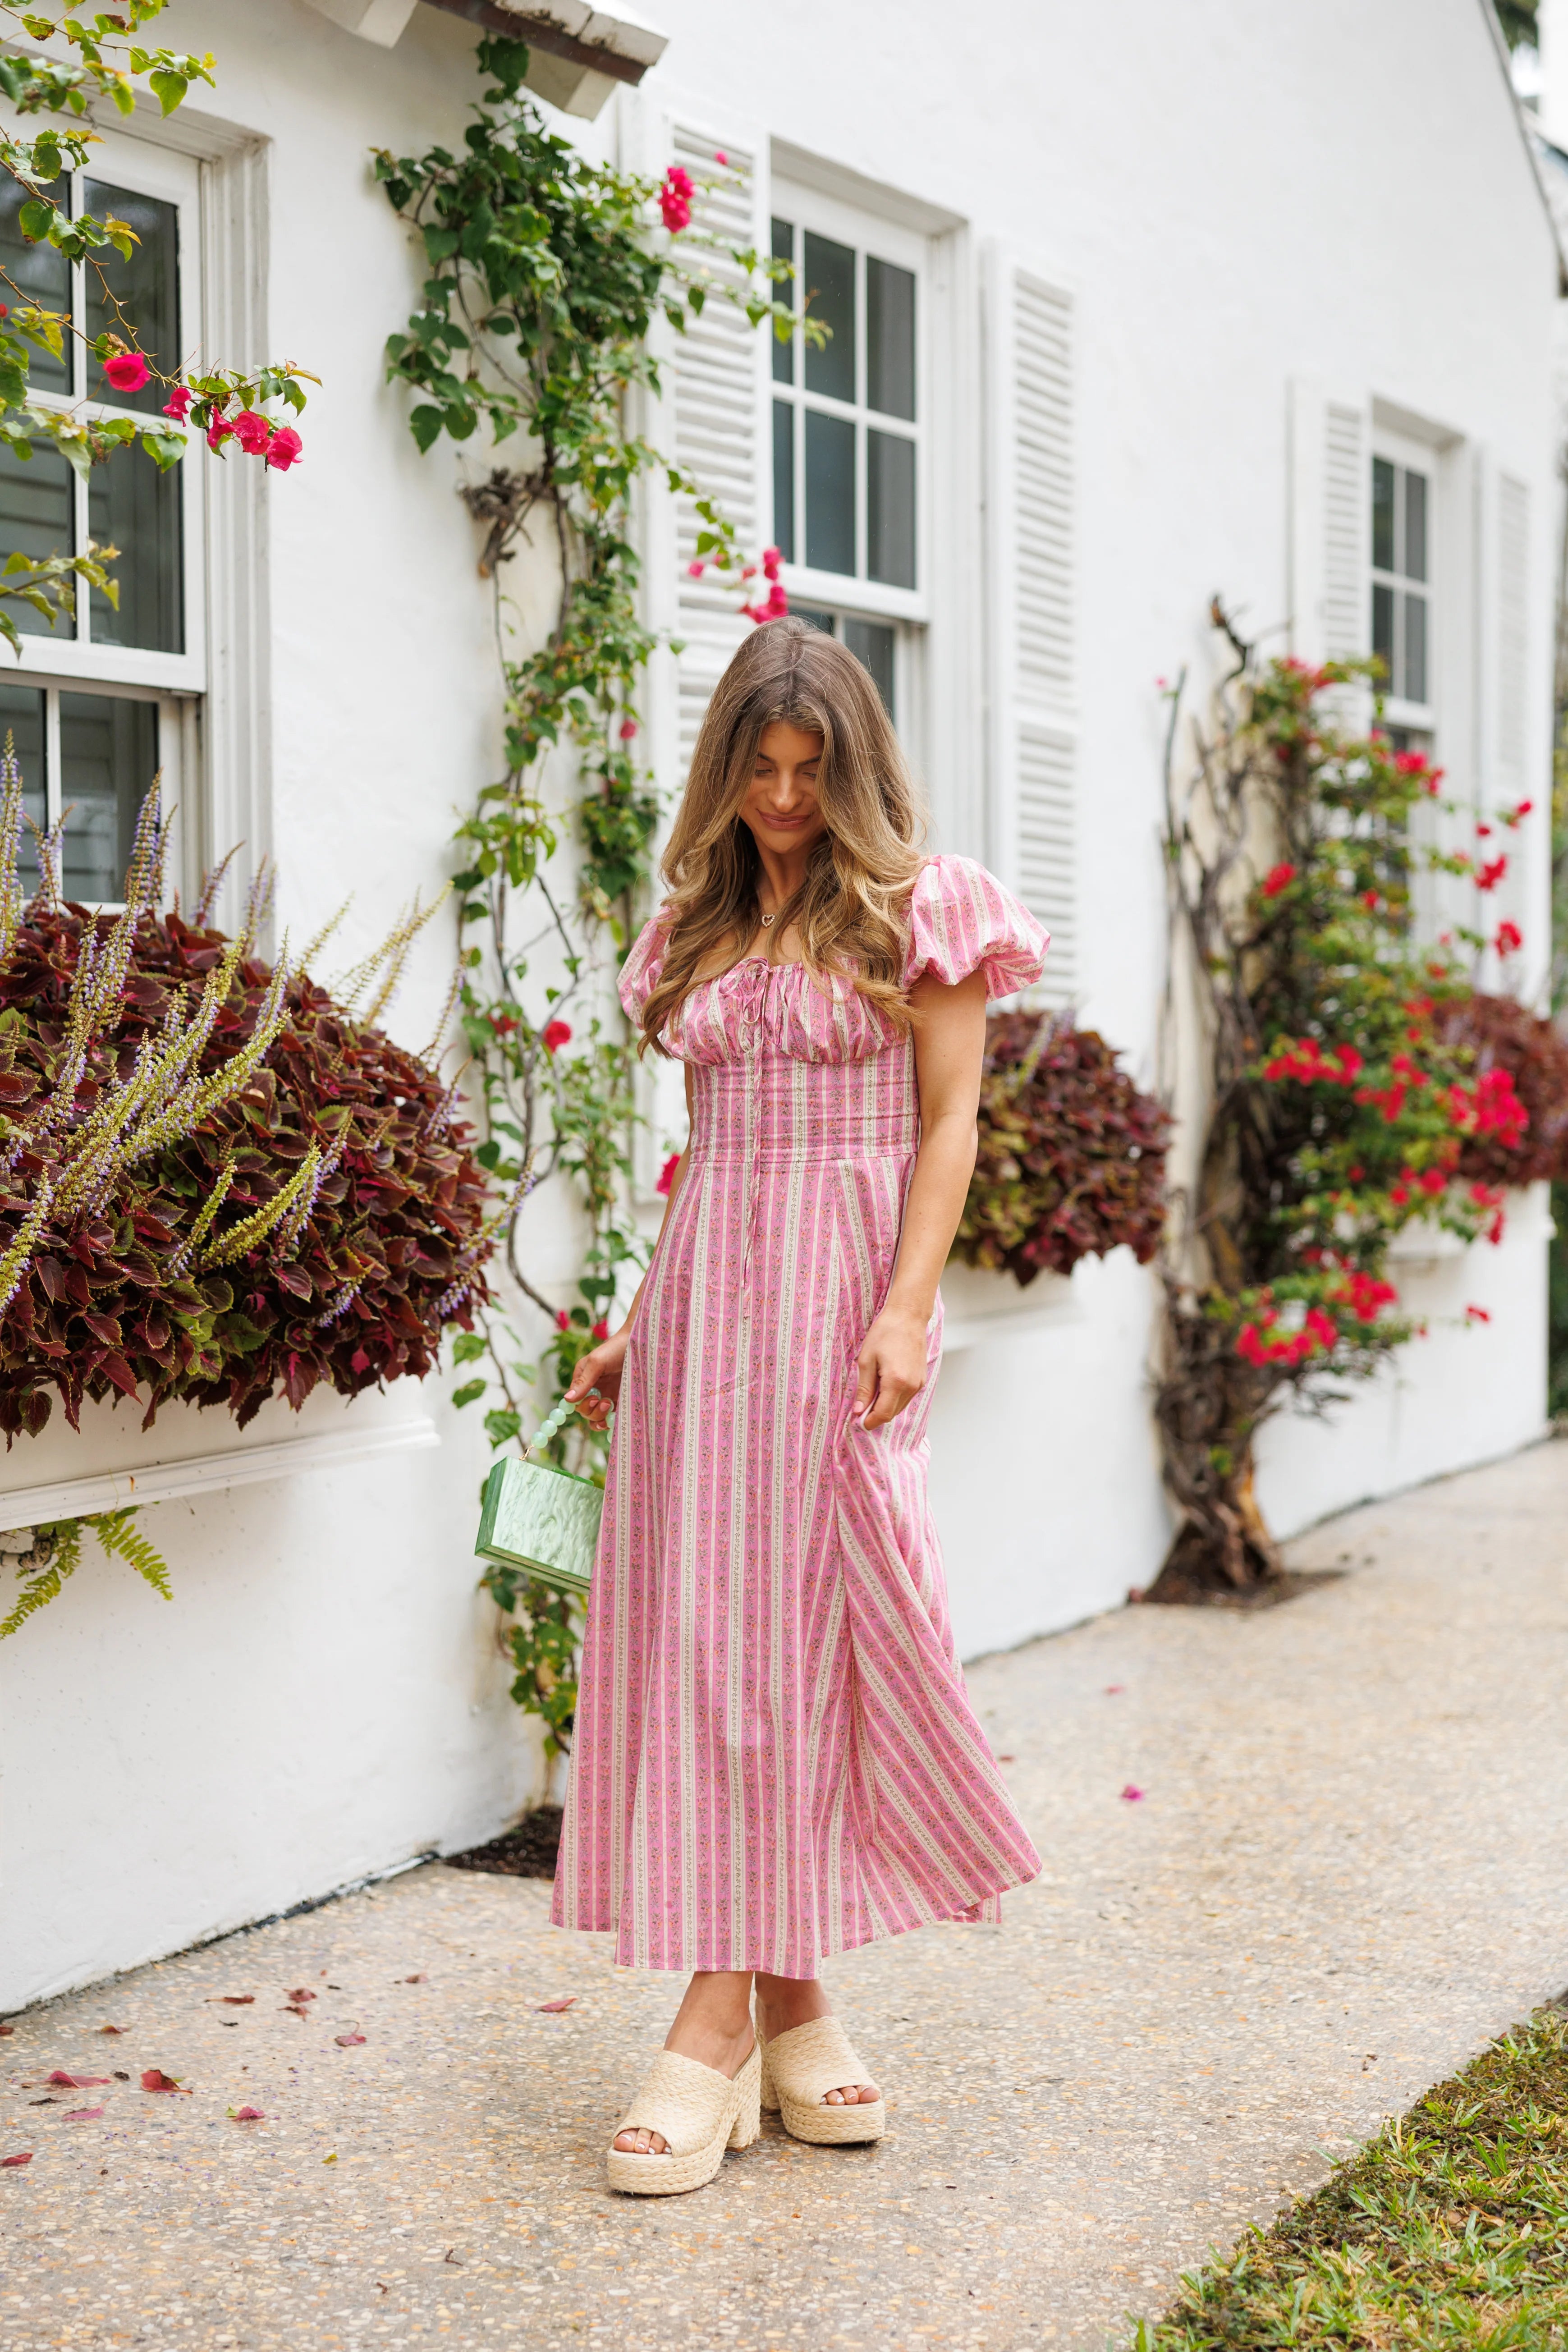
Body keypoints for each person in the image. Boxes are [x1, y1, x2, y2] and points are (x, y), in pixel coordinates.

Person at [556, 616, 1048, 2196]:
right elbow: (705, 1156)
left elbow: (950, 1119)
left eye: (808, 771)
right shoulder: (694, 927)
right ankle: (792, 2008)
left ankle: (709, 2028)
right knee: (720, 1632)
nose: (781, 799)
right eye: (758, 769)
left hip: (845, 1301)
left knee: (826, 1622)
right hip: (709, 1305)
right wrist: (639, 1325)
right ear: (726, 768)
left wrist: (908, 1305)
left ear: (854, 769)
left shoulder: (922, 907)